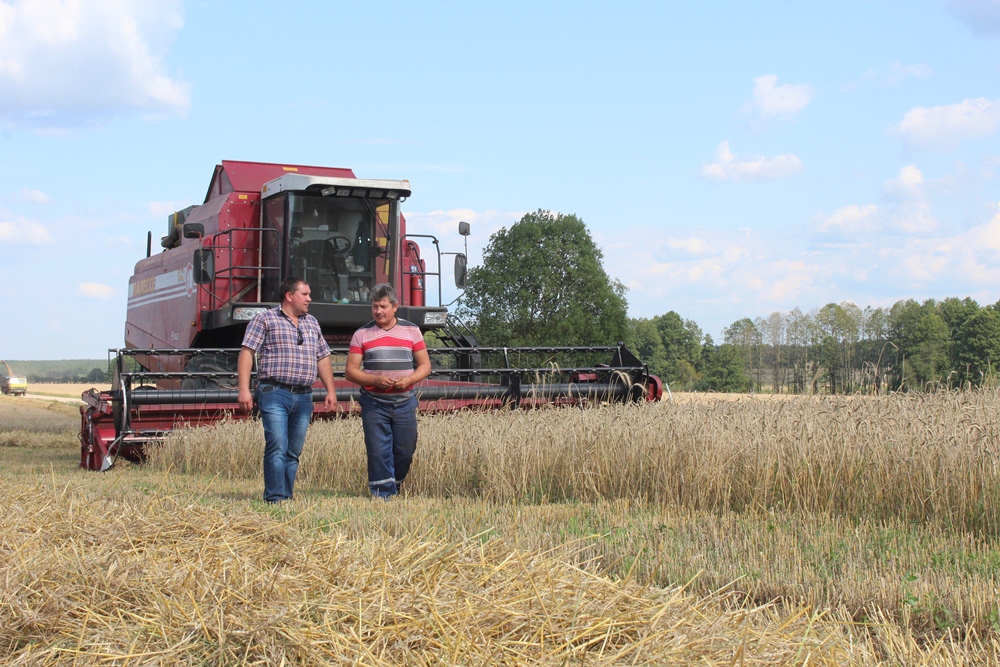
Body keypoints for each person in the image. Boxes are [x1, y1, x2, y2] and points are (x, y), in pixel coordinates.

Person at [238, 276, 337, 503]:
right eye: (305, 294)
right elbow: (247, 352)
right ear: (289, 296)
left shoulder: (312, 322)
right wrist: (243, 389)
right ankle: (274, 498)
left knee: (293, 451)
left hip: (304, 396)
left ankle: (286, 495)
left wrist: (330, 390)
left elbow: (322, 357)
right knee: (277, 446)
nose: (309, 299)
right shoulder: (265, 319)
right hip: (274, 392)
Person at [345, 283, 431, 498]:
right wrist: (375, 380)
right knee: (378, 451)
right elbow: (350, 372)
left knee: (405, 451)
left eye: (383, 306)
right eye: (375, 307)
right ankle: (383, 495)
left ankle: (395, 485)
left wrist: (409, 379)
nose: (378, 311)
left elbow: (425, 365)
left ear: (395, 307)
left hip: (404, 401)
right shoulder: (362, 334)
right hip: (374, 402)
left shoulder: (412, 331)